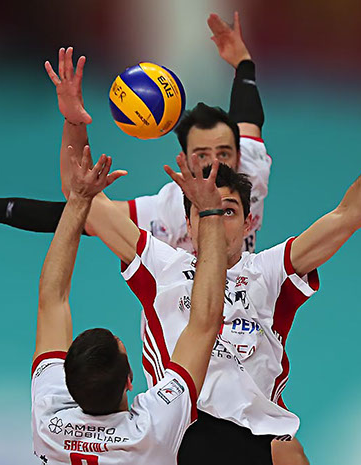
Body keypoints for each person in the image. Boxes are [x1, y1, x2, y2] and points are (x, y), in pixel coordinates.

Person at [75, 82, 361, 465]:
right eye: (206, 211)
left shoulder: (270, 272)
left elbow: (349, 215)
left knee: (290, 454)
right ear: (189, 225)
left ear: (246, 222)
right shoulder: (162, 266)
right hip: (182, 434)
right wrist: (74, 120)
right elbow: (86, 204)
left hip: (257, 437)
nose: (218, 221)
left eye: (229, 211)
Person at [0, 12, 269, 254]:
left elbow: (247, 117)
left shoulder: (252, 172)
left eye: (224, 153)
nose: (215, 164)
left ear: (239, 155)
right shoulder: (164, 215)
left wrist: (243, 64)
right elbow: (73, 209)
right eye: (202, 156)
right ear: (183, 163)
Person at [31, 141, 229, 464]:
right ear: (129, 380)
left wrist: (79, 199)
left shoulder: (48, 422)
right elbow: (205, 322)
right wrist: (210, 212)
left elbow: (52, 300)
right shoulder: (151, 432)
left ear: (65, 382)